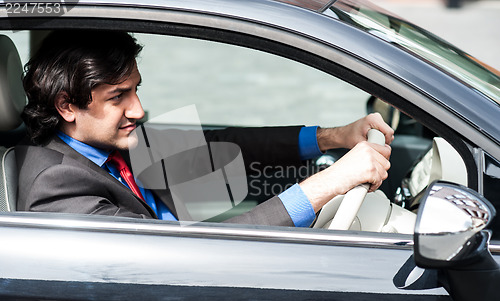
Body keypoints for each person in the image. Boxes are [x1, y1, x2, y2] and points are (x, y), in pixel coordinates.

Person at [16, 30, 393, 227]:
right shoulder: (57, 185)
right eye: (119, 97)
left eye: (137, 90)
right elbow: (173, 259)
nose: (139, 109)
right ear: (67, 105)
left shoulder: (108, 145)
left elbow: (220, 148)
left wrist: (333, 137)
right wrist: (327, 184)